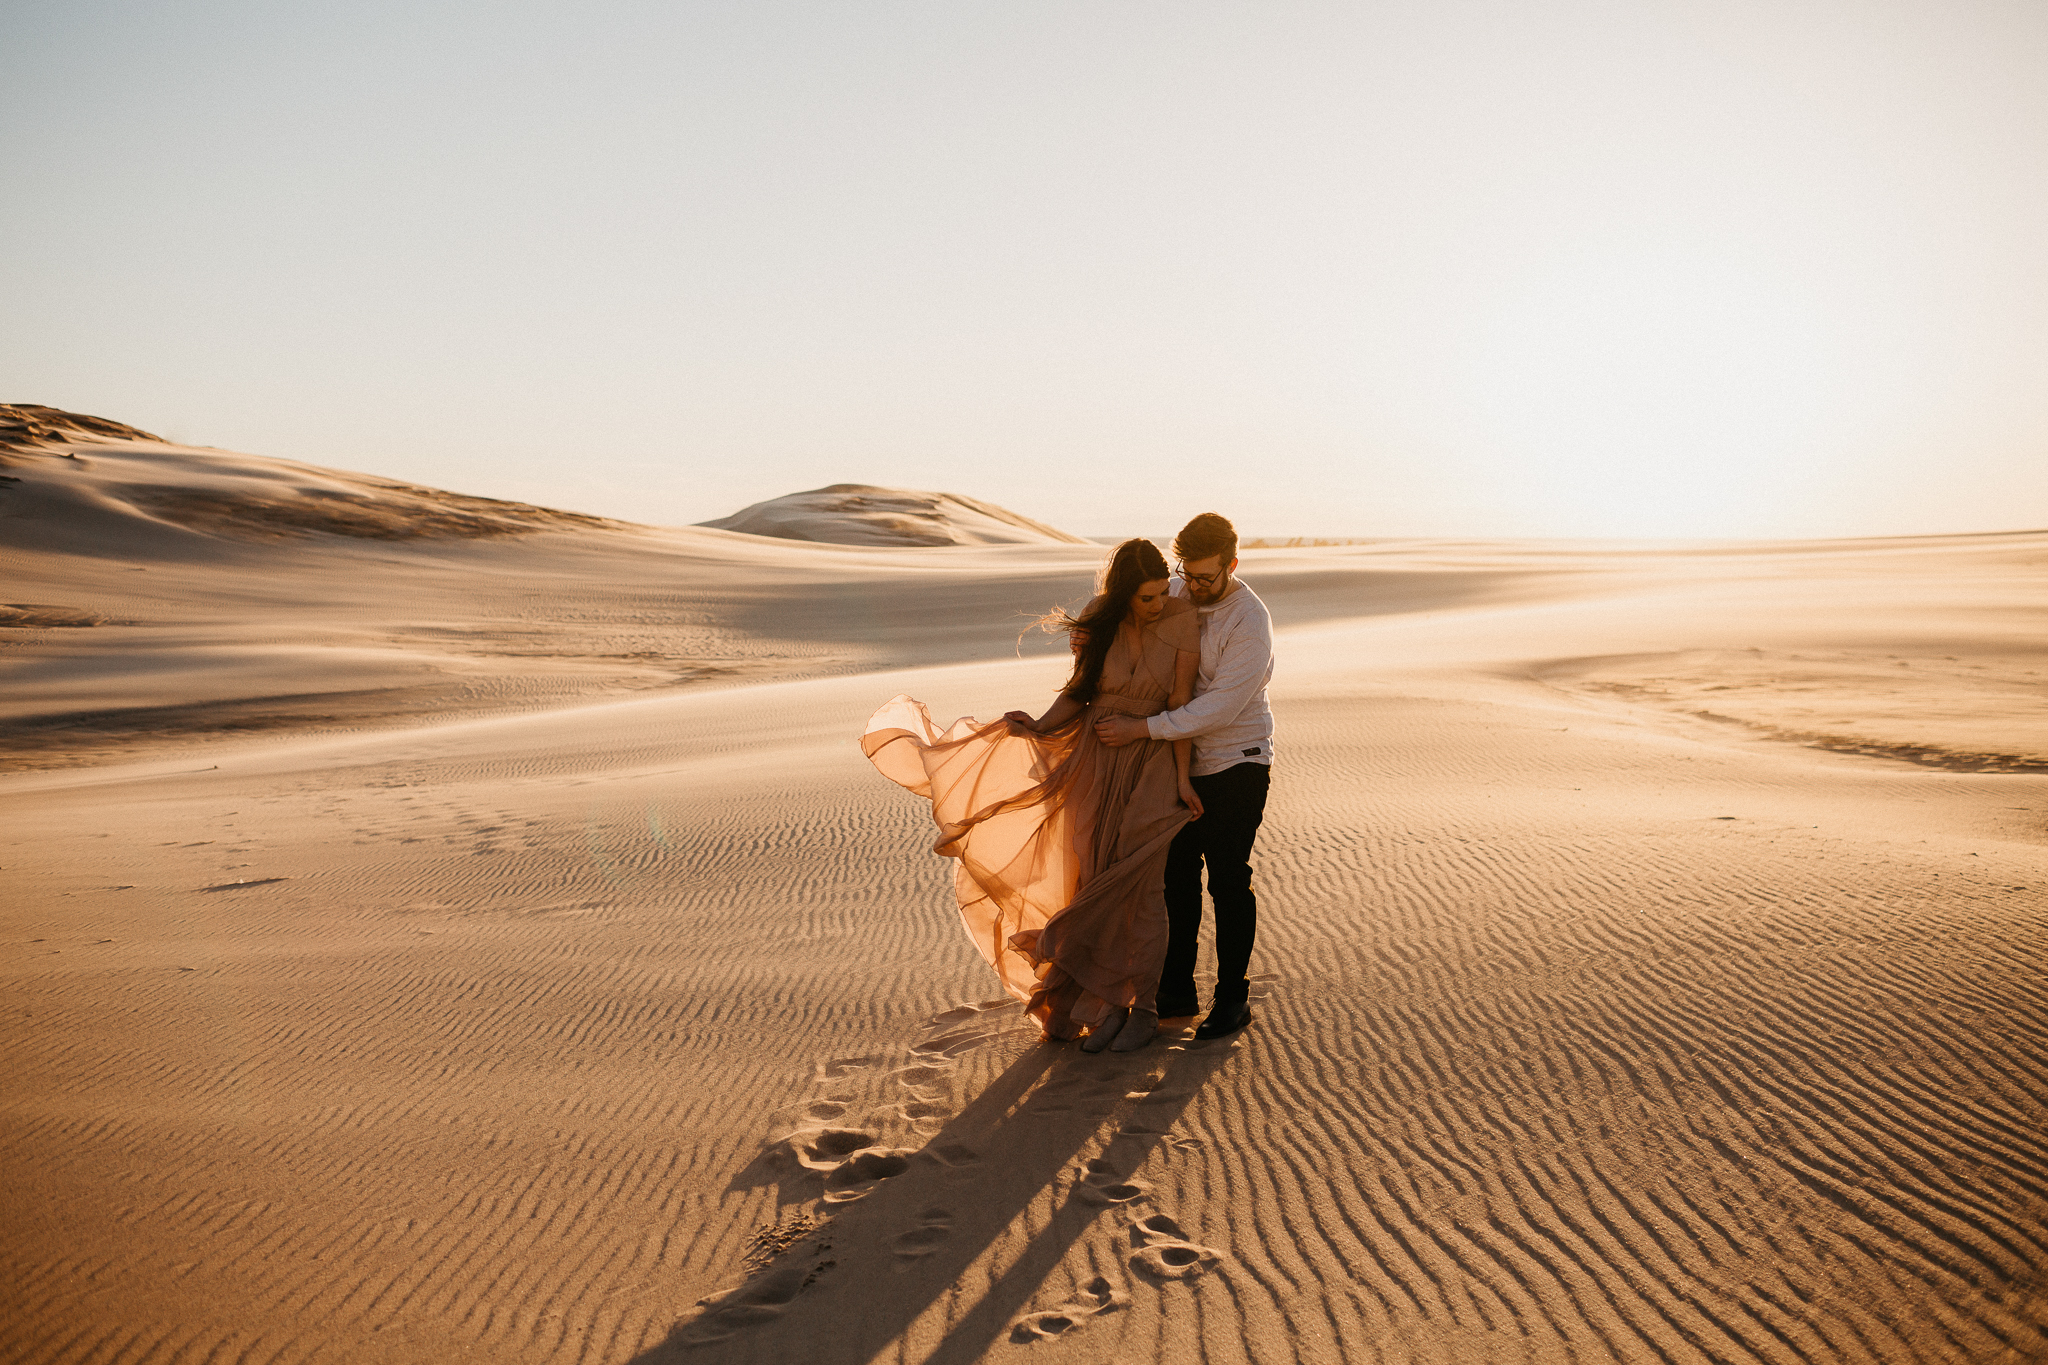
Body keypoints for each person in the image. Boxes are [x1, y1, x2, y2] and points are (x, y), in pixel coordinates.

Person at [861, 539, 1204, 1053]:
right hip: (1094, 758)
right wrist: (1040, 727)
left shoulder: (1181, 619)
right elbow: (1079, 691)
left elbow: (1180, 706)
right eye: (1147, 598)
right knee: (1088, 878)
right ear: (1122, 595)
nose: (1158, 604)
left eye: (1160, 594)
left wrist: (1180, 778)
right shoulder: (1098, 618)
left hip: (1151, 761)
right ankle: (1101, 1005)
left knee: (1141, 889)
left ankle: (1146, 1008)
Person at [1093, 512, 1273, 1041]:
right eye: (1186, 574)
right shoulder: (1175, 592)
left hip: (1237, 760)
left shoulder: (1249, 620)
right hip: (1177, 761)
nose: (1191, 588)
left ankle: (1232, 998)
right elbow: (1122, 609)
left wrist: (1141, 729)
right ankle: (1175, 992)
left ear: (1232, 565)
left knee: (1228, 878)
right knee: (1174, 878)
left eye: (1205, 578)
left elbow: (1218, 707)